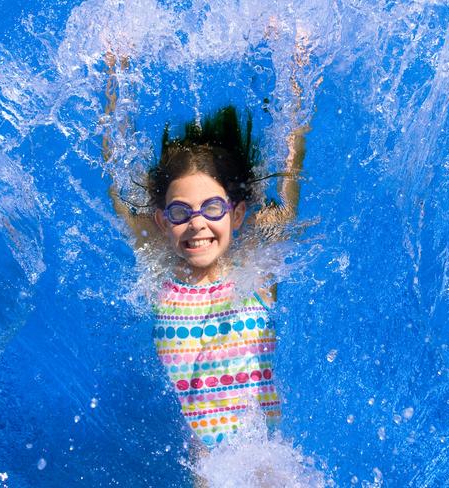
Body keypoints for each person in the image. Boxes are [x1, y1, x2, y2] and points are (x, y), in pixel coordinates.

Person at [104, 53, 308, 461]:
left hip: (266, 455)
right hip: (208, 468)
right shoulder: (158, 266)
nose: (197, 224)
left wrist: (296, 67)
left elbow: (290, 171)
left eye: (212, 209)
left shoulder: (256, 267)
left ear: (236, 213)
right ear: (162, 221)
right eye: (181, 212)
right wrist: (116, 70)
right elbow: (118, 182)